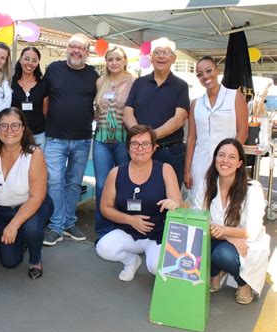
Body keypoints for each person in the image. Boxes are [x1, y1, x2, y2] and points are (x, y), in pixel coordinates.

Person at [96, 125, 183, 281]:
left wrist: (173, 203)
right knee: (104, 248)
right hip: (128, 232)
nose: (140, 148)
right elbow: (105, 208)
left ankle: (154, 257)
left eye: (145, 144)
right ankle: (131, 261)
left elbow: (177, 201)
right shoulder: (116, 173)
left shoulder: (165, 169)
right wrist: (130, 220)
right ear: (128, 147)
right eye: (134, 144)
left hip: (157, 234)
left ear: (154, 147)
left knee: (156, 267)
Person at [0, 107, 51, 279]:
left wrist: (14, 225)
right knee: (9, 263)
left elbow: (37, 197)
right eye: (4, 126)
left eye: (15, 125)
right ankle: (21, 238)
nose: (9, 131)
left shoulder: (34, 154)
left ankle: (35, 259)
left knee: (31, 229)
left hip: (31, 207)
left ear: (24, 128)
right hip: (1, 212)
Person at [192, 138, 270, 304]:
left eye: (232, 157)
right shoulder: (206, 185)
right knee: (198, 246)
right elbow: (197, 219)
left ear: (240, 163)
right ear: (215, 159)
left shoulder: (253, 189)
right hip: (218, 237)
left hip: (246, 243)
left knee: (223, 254)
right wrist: (228, 236)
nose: (225, 160)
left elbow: (252, 231)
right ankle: (215, 272)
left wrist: (225, 232)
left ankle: (243, 282)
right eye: (221, 155)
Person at [42, 33, 99, 246]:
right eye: (72, 46)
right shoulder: (54, 69)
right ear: (66, 48)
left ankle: (68, 221)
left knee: (74, 183)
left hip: (82, 139)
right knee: (55, 181)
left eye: (81, 48)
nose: (76, 50)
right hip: (56, 137)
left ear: (87, 52)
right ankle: (57, 225)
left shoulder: (94, 75)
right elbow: (43, 97)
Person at [124, 37, 190, 187]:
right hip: (140, 151)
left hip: (170, 152)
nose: (161, 56)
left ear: (173, 58)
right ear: (151, 58)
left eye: (166, 52)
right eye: (157, 52)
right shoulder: (139, 83)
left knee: (169, 196)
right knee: (138, 193)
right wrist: (141, 139)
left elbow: (179, 119)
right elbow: (128, 113)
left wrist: (149, 138)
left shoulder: (181, 86)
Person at [184, 56, 248, 200]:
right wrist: (187, 170)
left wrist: (231, 156)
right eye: (200, 74)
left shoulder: (235, 97)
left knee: (225, 202)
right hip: (200, 164)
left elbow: (243, 132)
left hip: (227, 164)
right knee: (199, 203)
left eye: (208, 70)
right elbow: (192, 138)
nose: (205, 76)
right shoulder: (196, 104)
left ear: (217, 70)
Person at [93, 46, 135, 240]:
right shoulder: (101, 81)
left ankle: (126, 226)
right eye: (110, 59)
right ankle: (103, 230)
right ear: (106, 62)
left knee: (125, 184)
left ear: (125, 60)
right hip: (101, 139)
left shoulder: (133, 82)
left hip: (123, 140)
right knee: (102, 185)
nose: (114, 63)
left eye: (118, 59)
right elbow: (97, 110)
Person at [11, 46, 48, 150]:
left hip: (38, 135)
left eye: (34, 61)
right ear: (20, 59)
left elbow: (45, 112)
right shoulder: (10, 83)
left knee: (36, 165)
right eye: (26, 59)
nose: (30, 63)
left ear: (38, 63)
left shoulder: (44, 85)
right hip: (14, 134)